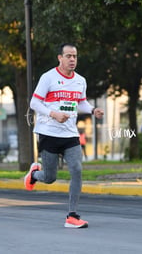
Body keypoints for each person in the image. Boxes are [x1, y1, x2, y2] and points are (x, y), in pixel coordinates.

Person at [24, 43, 104, 228]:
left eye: (75, 56)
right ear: (60, 58)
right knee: (50, 177)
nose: (72, 60)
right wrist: (54, 114)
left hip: (70, 134)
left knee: (76, 170)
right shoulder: (48, 77)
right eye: (68, 56)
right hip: (48, 133)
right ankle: (35, 175)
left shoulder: (80, 81)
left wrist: (93, 110)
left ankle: (72, 216)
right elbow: (34, 103)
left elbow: (81, 103)